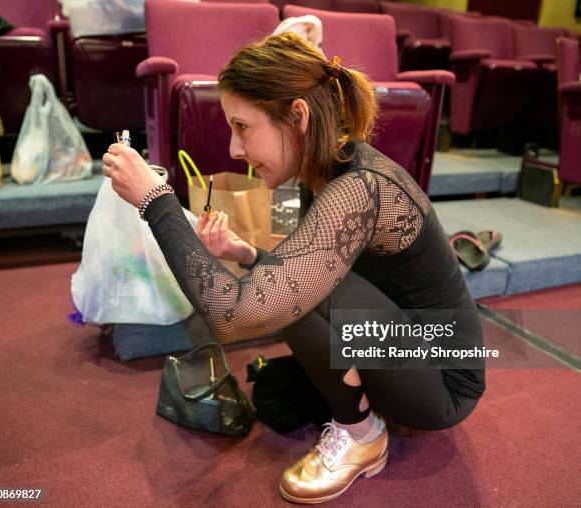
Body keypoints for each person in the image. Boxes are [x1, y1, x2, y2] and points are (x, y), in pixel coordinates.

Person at [102, 32, 485, 504]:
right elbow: (302, 274)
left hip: (444, 378)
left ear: (298, 117)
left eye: (243, 126)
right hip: (401, 345)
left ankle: (363, 437)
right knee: (281, 346)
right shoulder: (317, 171)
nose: (235, 149)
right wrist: (247, 254)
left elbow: (234, 315)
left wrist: (155, 200)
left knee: (283, 302)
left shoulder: (359, 187)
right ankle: (363, 413)